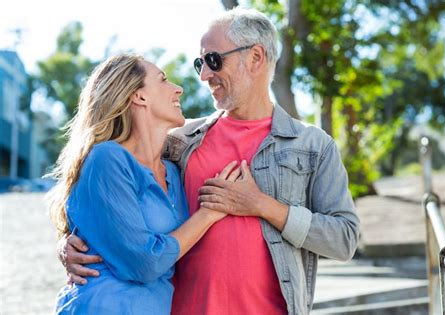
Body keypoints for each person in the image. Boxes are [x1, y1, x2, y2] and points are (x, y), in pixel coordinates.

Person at [59, 8, 360, 315]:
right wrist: (75, 243)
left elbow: (345, 239)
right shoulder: (179, 142)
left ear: (255, 58)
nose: (203, 75)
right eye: (199, 63)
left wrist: (261, 205)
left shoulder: (313, 146)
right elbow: (107, 200)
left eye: (214, 60)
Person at [48, 54, 241, 314]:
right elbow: (144, 263)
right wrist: (209, 213)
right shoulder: (107, 158)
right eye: (163, 80)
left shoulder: (173, 172)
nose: (178, 88)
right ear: (138, 96)